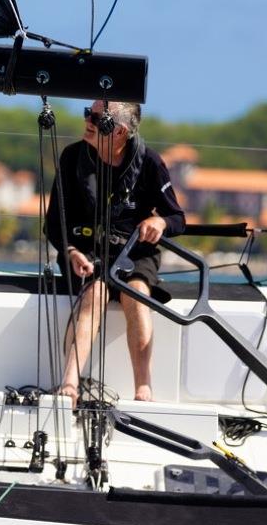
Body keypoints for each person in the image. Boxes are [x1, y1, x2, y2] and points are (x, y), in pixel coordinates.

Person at [45, 100, 185, 406]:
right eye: (88, 113)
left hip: (134, 253)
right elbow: (54, 223)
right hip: (84, 253)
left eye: (96, 117)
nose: (87, 120)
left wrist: (159, 221)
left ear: (119, 131)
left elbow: (178, 219)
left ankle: (143, 386)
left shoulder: (150, 162)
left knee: (136, 293)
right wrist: (69, 251)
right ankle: (70, 382)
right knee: (94, 293)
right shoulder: (72, 158)